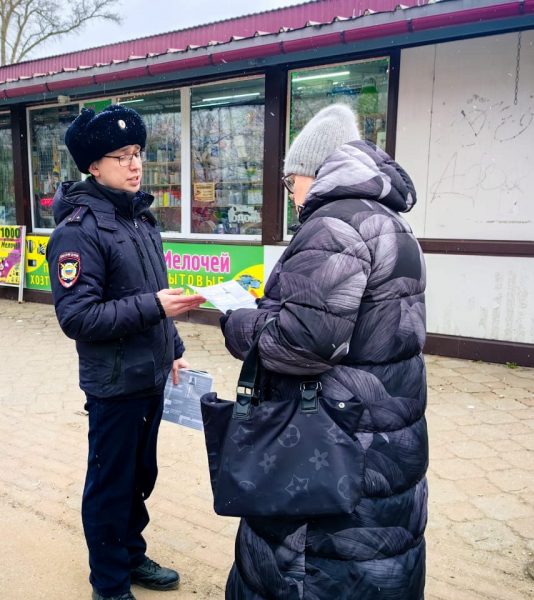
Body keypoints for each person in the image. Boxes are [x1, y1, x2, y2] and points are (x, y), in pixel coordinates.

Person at [220, 104, 428, 599]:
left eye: (291, 181)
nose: (291, 195)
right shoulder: (387, 221)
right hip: (384, 438)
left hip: (331, 446)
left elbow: (301, 345)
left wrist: (239, 321)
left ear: (314, 174)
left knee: (313, 575)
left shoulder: (332, 227)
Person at [46, 104, 206, 600]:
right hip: (115, 385)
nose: (135, 165)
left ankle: (131, 556)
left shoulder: (140, 218)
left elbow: (153, 291)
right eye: (121, 156)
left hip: (151, 374)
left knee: (140, 476)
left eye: (137, 153)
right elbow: (78, 318)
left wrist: (174, 347)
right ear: (94, 165)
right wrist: (154, 307)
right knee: (110, 486)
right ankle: (110, 585)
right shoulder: (78, 229)